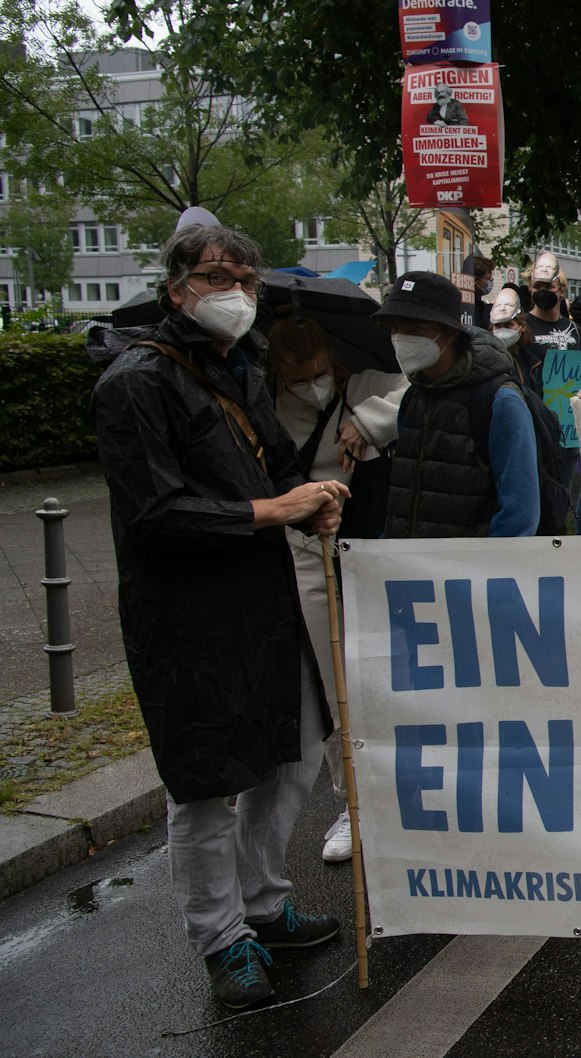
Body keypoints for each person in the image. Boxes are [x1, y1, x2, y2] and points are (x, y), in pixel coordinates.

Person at [91, 222, 345, 1008]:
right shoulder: (135, 383)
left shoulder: (243, 366)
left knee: (294, 751)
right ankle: (221, 937)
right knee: (204, 783)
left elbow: (277, 465)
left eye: (245, 279)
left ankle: (263, 902)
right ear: (175, 289)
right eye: (214, 277)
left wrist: (313, 501)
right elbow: (157, 513)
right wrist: (278, 511)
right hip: (187, 618)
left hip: (262, 602)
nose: (233, 292)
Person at [264, 316, 406, 864]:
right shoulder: (265, 406)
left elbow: (415, 390)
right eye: (299, 380)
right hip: (308, 554)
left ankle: (397, 792)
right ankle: (352, 802)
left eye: (320, 374)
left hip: (370, 552)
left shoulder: (360, 386)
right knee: (334, 686)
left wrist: (369, 422)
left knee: (387, 679)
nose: (313, 387)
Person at [377, 271, 541, 538]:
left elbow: (520, 515)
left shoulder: (499, 401)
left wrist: (484, 563)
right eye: (395, 328)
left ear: (451, 332)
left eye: (415, 327)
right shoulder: (413, 397)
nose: (401, 337)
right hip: (407, 563)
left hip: (470, 565)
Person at [524, 253, 581, 351]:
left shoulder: (575, 330)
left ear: (562, 290)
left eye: (548, 286)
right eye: (537, 286)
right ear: (530, 289)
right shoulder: (522, 328)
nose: (542, 291)